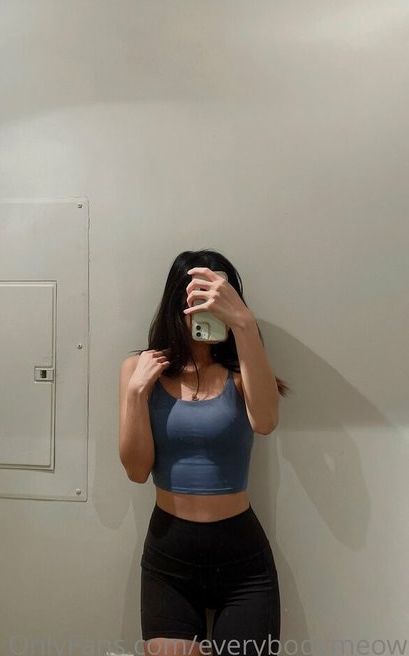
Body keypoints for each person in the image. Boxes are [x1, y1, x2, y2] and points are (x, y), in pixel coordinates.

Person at [119, 249, 291, 656]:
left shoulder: (241, 373)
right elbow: (137, 470)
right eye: (201, 297)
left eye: (220, 297)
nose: (210, 308)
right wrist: (136, 394)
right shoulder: (140, 369)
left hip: (242, 560)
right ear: (179, 303)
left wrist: (244, 325)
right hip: (169, 559)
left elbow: (266, 421)